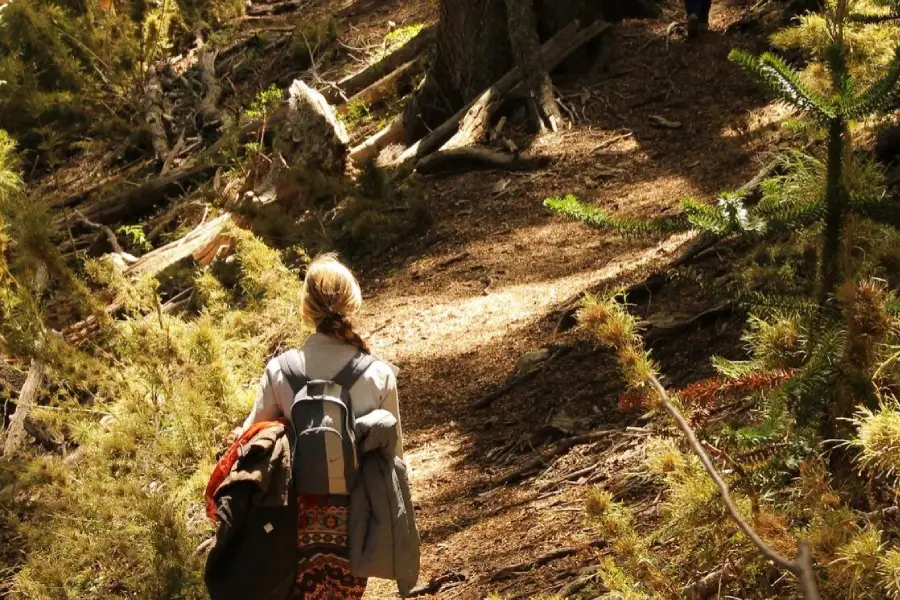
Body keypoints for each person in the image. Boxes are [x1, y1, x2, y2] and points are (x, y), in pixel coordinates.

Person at [241, 253, 402, 599]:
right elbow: (395, 458)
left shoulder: (280, 370)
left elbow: (251, 441)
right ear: (352, 304)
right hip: (356, 522)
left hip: (292, 522)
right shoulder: (378, 373)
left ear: (306, 308)